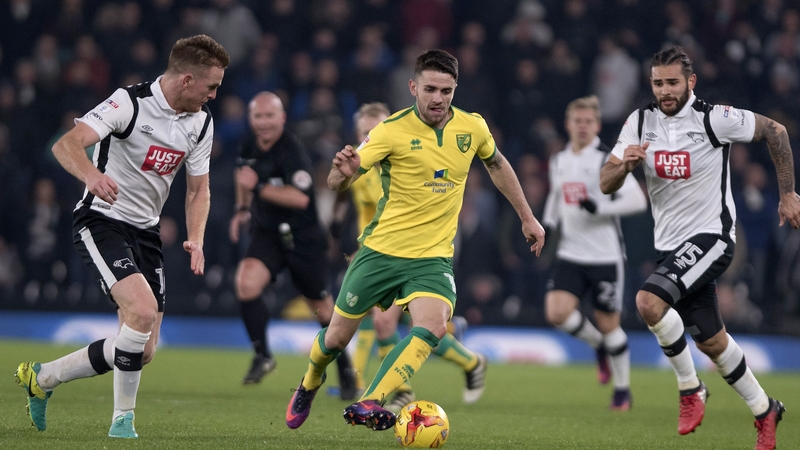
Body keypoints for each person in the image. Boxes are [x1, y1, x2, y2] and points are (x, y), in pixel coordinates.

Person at [285, 48, 545, 431]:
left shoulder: (472, 127)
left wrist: (527, 216)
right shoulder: (390, 130)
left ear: (455, 89)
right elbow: (338, 180)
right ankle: (309, 383)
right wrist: (342, 172)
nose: (438, 98)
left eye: (446, 91)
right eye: (430, 89)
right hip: (380, 252)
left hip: (432, 258)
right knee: (336, 339)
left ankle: (371, 399)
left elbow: (497, 164)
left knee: (434, 325)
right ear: (413, 87)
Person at [14, 35, 230, 438]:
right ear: (187, 79)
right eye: (211, 86)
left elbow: (198, 189)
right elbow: (66, 145)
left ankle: (42, 378)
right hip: (102, 221)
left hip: (146, 233)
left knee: (142, 349)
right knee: (142, 313)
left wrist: (196, 237)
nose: (214, 95)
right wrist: (92, 176)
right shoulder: (128, 103)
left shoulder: (201, 122)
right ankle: (122, 422)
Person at [600, 45, 797, 449]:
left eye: (672, 82)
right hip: (669, 248)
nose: (665, 90)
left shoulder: (713, 118)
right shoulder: (640, 122)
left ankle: (690, 388)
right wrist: (624, 167)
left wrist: (788, 194)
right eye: (658, 83)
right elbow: (605, 182)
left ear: (690, 81)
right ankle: (765, 409)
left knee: (648, 302)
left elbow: (775, 131)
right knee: (711, 340)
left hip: (712, 237)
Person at [329, 102, 478, 412]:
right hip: (378, 253)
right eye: (365, 131)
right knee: (387, 324)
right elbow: (346, 194)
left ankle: (462, 363)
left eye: (377, 129)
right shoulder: (360, 165)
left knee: (403, 325)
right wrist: (343, 225)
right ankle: (399, 385)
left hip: (418, 252)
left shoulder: (405, 162)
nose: (373, 135)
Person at [228, 91, 356, 398]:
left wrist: (258, 187)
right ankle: (263, 355)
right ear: (251, 119)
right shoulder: (248, 146)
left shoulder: (293, 151)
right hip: (268, 234)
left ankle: (346, 371)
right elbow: (241, 176)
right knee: (245, 283)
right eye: (258, 116)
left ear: (282, 118)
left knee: (323, 312)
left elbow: (300, 198)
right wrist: (242, 209)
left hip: (303, 238)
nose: (264, 122)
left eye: (269, 115)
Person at [542, 95, 647, 411]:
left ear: (598, 125)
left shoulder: (606, 159)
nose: (583, 126)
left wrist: (599, 207)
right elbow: (557, 196)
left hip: (604, 256)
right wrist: (545, 226)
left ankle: (622, 390)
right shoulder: (559, 160)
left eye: (589, 121)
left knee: (609, 324)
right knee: (556, 312)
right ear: (568, 124)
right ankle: (599, 346)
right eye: (578, 121)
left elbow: (637, 201)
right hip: (570, 253)